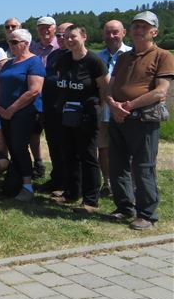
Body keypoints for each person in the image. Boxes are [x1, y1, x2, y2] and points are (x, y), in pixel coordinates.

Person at [106, 11, 174, 230]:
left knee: (143, 167)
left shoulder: (163, 56)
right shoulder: (123, 57)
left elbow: (160, 92)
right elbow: (110, 86)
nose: (138, 30)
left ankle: (147, 214)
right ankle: (124, 206)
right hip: (118, 118)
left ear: (154, 31)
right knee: (117, 165)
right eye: (135, 26)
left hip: (143, 119)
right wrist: (112, 104)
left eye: (144, 27)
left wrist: (129, 106)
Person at [53, 25, 108, 212]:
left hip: (87, 116)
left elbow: (104, 89)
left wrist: (96, 109)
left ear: (84, 36)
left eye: (73, 36)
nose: (68, 40)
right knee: (70, 154)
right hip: (68, 115)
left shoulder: (94, 61)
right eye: (65, 37)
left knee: (88, 157)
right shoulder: (63, 60)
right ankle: (71, 193)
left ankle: (91, 200)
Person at [0, 28, 44, 201]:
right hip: (4, 113)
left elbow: (34, 90)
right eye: (9, 41)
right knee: (10, 147)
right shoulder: (9, 63)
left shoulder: (34, 62)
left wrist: (12, 109)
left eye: (15, 42)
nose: (11, 45)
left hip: (24, 114)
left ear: (26, 44)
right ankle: (15, 181)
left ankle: (28, 186)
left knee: (19, 147)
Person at [96, 20, 132, 197]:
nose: (111, 36)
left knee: (127, 148)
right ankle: (107, 182)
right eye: (108, 32)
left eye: (115, 32)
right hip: (102, 110)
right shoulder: (97, 56)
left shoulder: (131, 55)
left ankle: (128, 184)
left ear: (124, 32)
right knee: (103, 147)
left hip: (124, 110)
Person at [39, 21, 74, 195]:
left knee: (68, 148)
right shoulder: (54, 55)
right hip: (51, 109)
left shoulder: (77, 56)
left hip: (68, 111)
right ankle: (57, 179)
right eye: (59, 36)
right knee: (54, 146)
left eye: (66, 36)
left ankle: (69, 184)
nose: (61, 39)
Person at [29, 16, 59, 178]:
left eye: (48, 27)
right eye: (41, 27)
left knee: (54, 136)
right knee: (34, 133)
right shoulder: (33, 47)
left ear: (54, 28)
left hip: (54, 98)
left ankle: (58, 169)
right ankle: (39, 164)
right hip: (36, 98)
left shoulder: (59, 47)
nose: (45, 30)